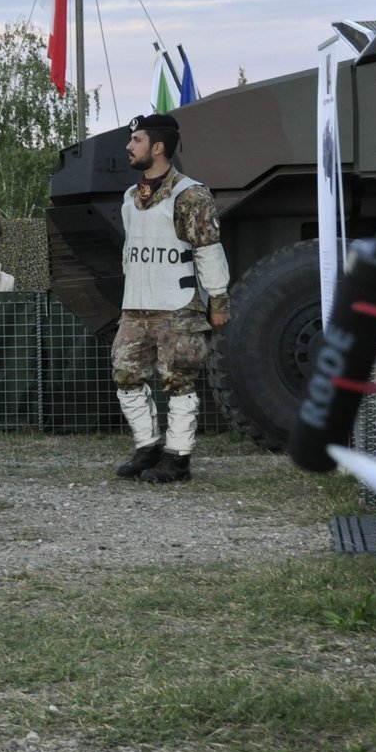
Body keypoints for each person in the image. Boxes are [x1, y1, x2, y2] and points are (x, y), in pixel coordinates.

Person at [112, 113, 230, 483]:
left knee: (178, 379)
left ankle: (178, 457)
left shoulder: (190, 194)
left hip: (177, 306)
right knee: (125, 373)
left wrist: (218, 300)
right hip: (136, 305)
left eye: (137, 140)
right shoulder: (131, 197)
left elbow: (208, 250)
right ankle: (147, 447)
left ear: (158, 147)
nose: (130, 147)